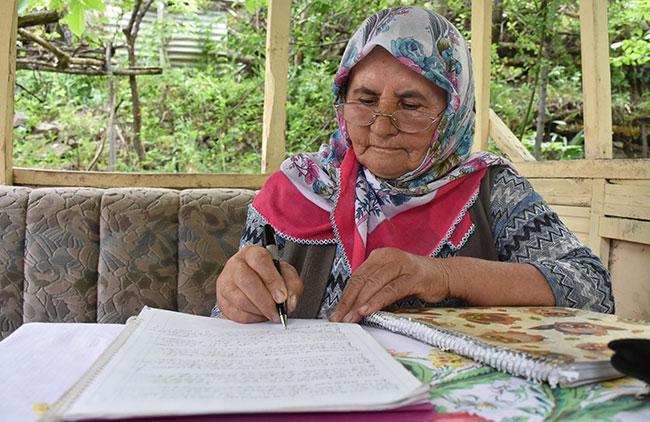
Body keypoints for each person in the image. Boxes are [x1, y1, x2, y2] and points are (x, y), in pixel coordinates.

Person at [213, 7, 613, 324]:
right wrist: (239, 296)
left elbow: (594, 291)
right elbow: (234, 307)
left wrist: (443, 275)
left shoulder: (489, 188)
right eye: (366, 101)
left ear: (454, 111)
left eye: (410, 106)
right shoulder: (299, 185)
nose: (383, 128)